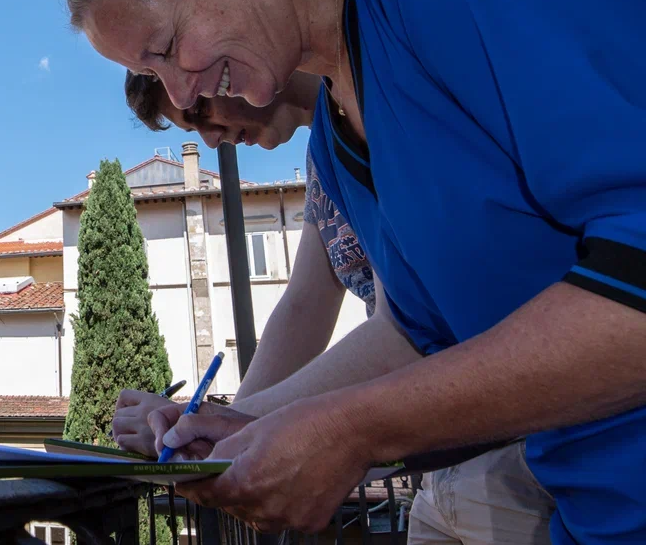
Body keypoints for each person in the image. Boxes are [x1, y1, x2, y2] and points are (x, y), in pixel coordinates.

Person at [65, 0, 646, 544]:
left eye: (165, 48)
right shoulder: (336, 155)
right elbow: (419, 336)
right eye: (151, 75)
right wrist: (246, 425)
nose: (182, 93)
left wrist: (356, 426)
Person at [116, 73, 556, 545]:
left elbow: (404, 332)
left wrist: (229, 428)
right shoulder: (325, 153)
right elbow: (303, 305)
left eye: (201, 109)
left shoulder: (380, 105)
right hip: (441, 459)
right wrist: (224, 426)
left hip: (519, 442)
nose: (210, 138)